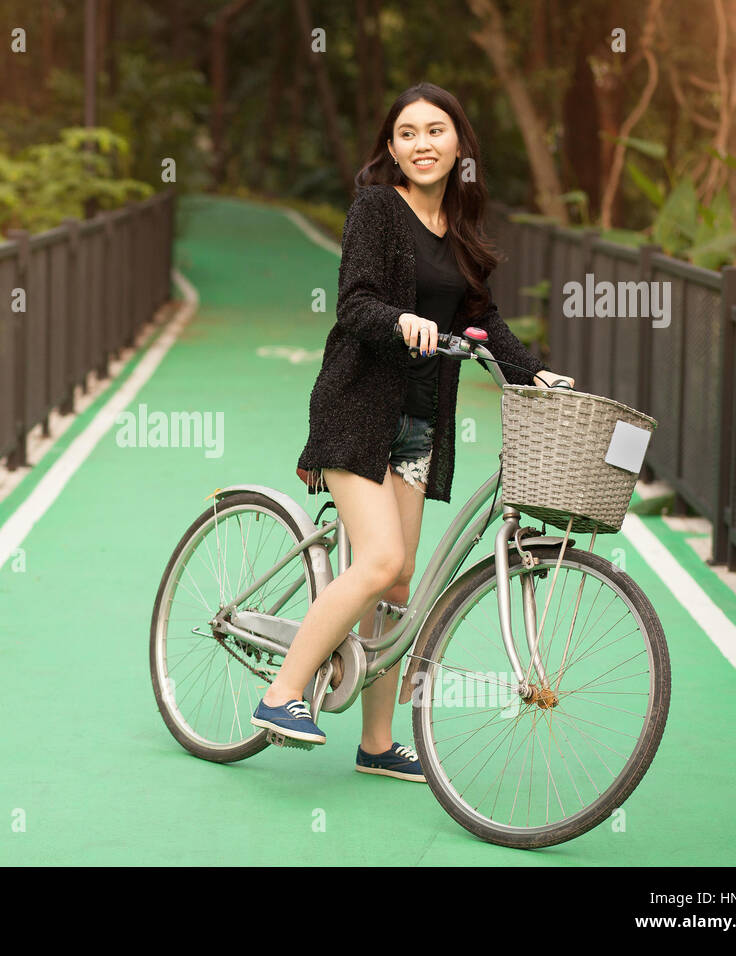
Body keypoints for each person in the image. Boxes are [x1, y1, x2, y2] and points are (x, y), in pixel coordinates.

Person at [252, 82, 575, 781]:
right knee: (376, 562)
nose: (421, 144)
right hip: (356, 410)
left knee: (398, 589)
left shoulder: (458, 232)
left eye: (435, 131)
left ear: (459, 144)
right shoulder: (376, 210)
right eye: (407, 133)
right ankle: (280, 695)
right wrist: (400, 320)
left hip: (420, 424)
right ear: (391, 147)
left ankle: (375, 745)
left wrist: (535, 375)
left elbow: (486, 323)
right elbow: (356, 300)